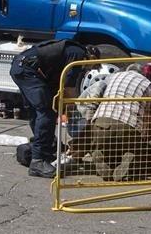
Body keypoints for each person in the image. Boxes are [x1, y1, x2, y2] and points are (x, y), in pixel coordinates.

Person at [9, 39, 99, 178]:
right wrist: (77, 112)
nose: (90, 69)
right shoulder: (78, 54)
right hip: (28, 70)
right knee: (47, 112)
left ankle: (45, 148)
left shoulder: (69, 52)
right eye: (94, 65)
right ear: (91, 56)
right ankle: (38, 161)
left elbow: (57, 86)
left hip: (20, 67)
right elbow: (68, 89)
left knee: (37, 111)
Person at [86, 63, 151, 181]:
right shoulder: (149, 86)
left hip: (100, 122)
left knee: (106, 145)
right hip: (128, 126)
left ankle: (99, 155)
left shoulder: (114, 76)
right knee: (132, 148)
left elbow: (99, 92)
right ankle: (128, 161)